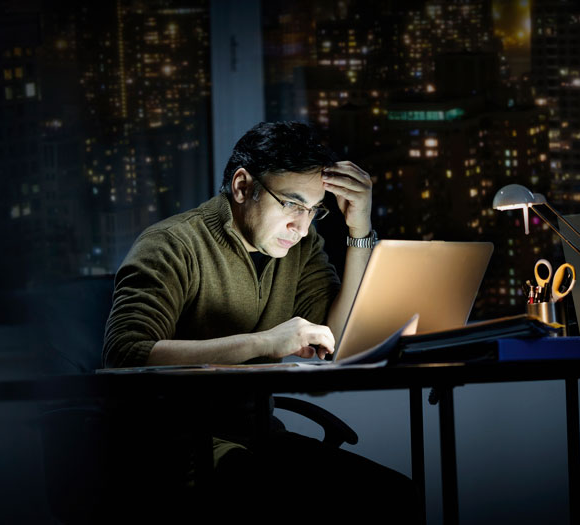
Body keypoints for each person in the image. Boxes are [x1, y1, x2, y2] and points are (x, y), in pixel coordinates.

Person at [102, 121, 422, 523]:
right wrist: (264, 342)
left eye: (313, 210)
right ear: (242, 187)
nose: (302, 227)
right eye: (291, 204)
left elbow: (335, 339)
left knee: (395, 496)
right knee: (276, 499)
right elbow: (124, 356)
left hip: (258, 438)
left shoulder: (302, 247)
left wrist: (359, 230)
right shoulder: (171, 245)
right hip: (172, 448)